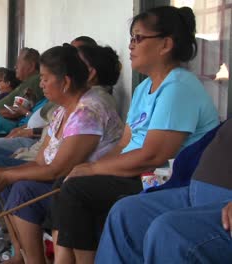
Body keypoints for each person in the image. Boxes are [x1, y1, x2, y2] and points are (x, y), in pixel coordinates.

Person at [52, 6, 219, 264]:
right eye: (131, 38)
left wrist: (94, 169)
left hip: (164, 177)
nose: (130, 46)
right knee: (67, 181)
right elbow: (125, 143)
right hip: (134, 170)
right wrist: (90, 167)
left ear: (165, 44)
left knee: (78, 190)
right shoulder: (143, 88)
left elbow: (153, 155)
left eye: (137, 38)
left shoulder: (179, 86)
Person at [0, 44, 124, 263]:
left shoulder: (88, 111)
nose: (41, 84)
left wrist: (9, 175)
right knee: (3, 178)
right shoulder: (62, 110)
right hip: (60, 179)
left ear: (65, 81)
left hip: (84, 184)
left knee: (22, 189)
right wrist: (4, 172)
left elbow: (57, 169)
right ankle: (23, 256)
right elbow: (40, 161)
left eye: (45, 79)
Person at [96, 119, 231, 264]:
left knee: (171, 233)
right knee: (126, 213)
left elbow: (153, 154)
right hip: (198, 189)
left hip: (224, 203)